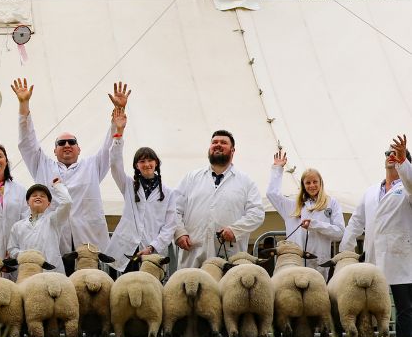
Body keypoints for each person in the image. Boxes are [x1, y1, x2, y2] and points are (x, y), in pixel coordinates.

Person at [15, 79, 127, 258]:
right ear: (55, 150)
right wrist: (24, 105)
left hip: (88, 240)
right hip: (54, 242)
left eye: (72, 142)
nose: (67, 145)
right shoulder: (41, 165)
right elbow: (27, 142)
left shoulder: (92, 166)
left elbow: (109, 148)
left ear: (79, 148)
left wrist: (117, 122)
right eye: (61, 143)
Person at [341, 136, 412, 337]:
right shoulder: (371, 191)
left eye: (397, 154)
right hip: (374, 254)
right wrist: (346, 249)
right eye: (388, 154)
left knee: (404, 305)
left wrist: (404, 163)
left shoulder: (407, 189)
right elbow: (356, 220)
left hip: (401, 255)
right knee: (368, 303)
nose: (391, 157)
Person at [173, 129, 264, 270]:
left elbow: (257, 213)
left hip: (229, 254)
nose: (218, 145)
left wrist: (235, 230)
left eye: (223, 142)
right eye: (214, 142)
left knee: (228, 290)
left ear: (233, 150)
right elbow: (174, 209)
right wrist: (179, 233)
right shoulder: (191, 178)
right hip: (194, 251)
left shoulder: (246, 182)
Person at [106, 106, 179, 273]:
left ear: (156, 163)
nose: (146, 164)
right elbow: (114, 164)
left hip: (150, 253)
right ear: (136, 166)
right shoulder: (128, 186)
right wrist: (119, 133)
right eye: (142, 161)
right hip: (126, 249)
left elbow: (170, 226)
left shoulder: (168, 193)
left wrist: (153, 247)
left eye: (150, 160)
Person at [266, 148, 344, 275]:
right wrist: (277, 168)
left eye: (315, 182)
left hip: (320, 263)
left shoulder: (332, 203)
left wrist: (315, 225)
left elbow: (340, 232)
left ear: (321, 183)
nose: (312, 185)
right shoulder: (292, 205)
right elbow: (271, 194)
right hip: (296, 263)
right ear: (303, 185)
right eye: (308, 182)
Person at [6, 178, 73, 273]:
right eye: (34, 195)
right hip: (27, 272)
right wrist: (26, 255)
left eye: (43, 196)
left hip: (51, 273)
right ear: (27, 202)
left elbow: (67, 202)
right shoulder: (17, 226)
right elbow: (12, 249)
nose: (38, 197)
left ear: (48, 203)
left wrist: (58, 186)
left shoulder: (54, 220)